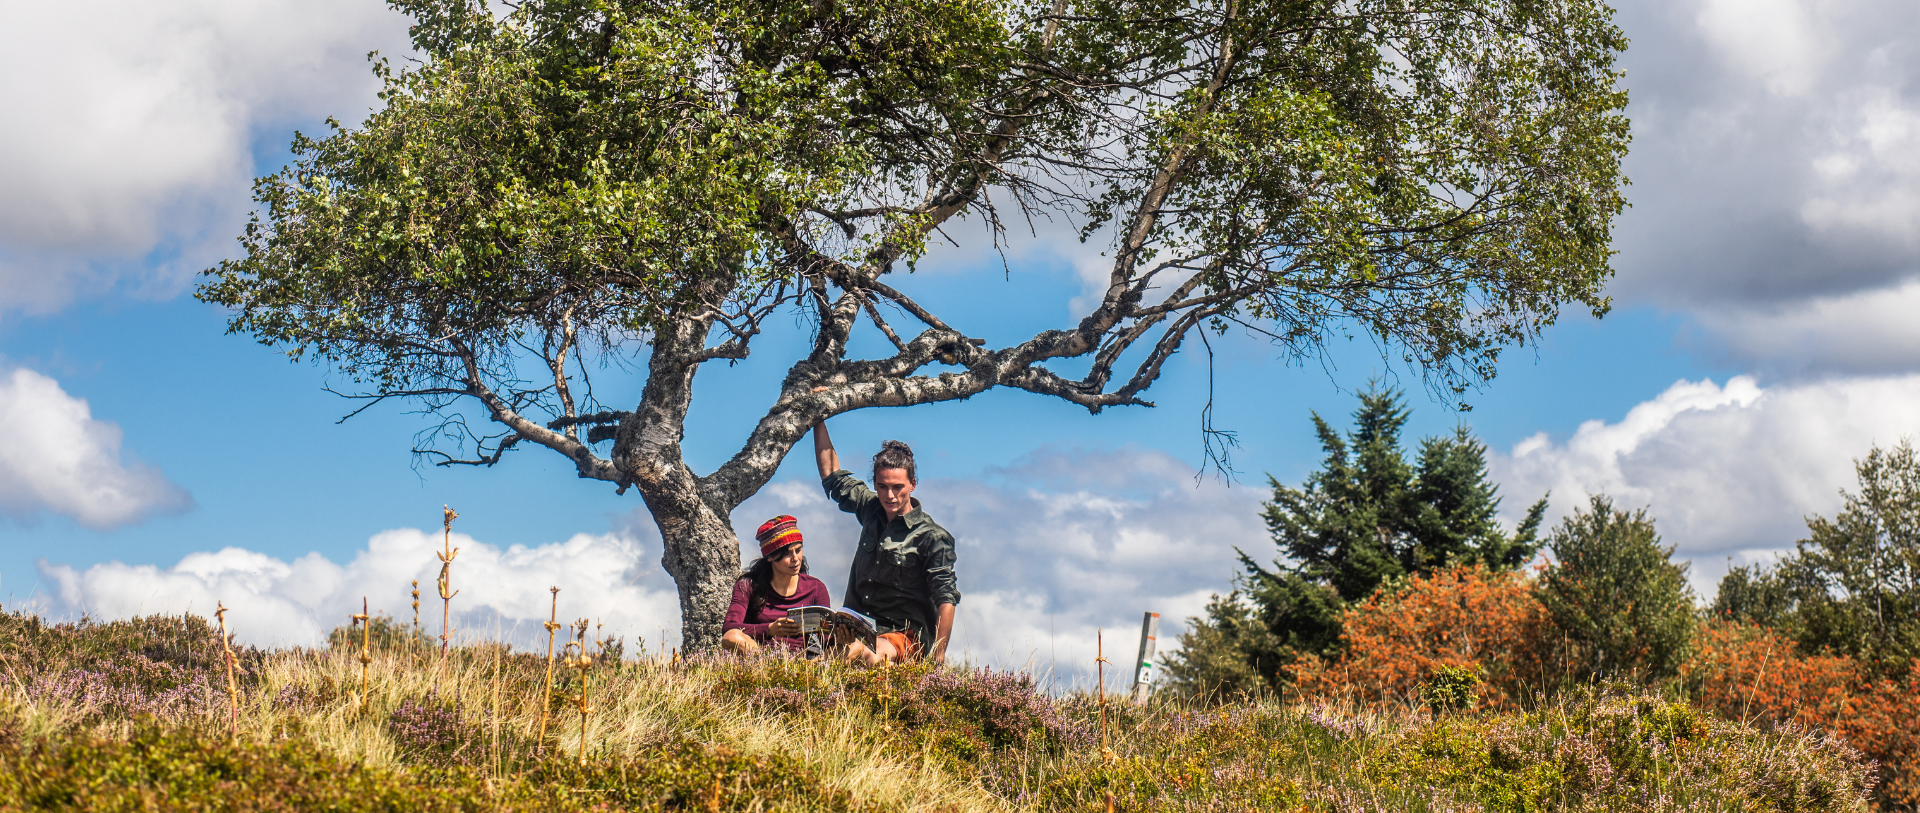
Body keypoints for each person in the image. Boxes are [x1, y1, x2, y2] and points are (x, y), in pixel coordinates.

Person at [812, 417, 960, 665]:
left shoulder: (933, 537)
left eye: (897, 487)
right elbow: (831, 474)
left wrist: (939, 653)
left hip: (905, 635)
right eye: (882, 487)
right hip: (857, 626)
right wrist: (817, 418)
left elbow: (946, 597)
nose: (889, 495)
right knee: (814, 658)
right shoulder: (871, 508)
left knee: (868, 656)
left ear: (913, 484)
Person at [721, 515, 832, 655]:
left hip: (809, 659)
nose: (795, 559)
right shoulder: (747, 585)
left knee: (858, 647)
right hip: (762, 655)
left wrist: (842, 635)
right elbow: (729, 627)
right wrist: (768, 630)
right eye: (787, 554)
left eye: (798, 550)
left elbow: (825, 637)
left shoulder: (816, 588)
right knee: (732, 637)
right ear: (770, 557)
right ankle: (768, 668)